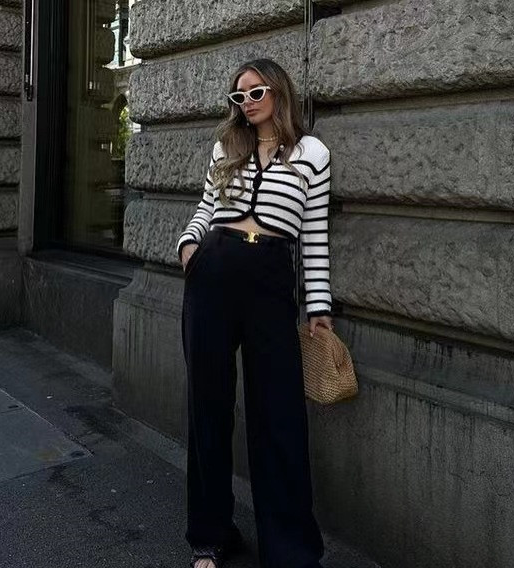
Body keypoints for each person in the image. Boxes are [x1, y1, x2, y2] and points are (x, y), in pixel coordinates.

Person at [176, 58, 333, 568]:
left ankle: (290, 551)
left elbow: (314, 238)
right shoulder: (226, 147)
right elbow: (206, 208)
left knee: (279, 414)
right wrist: (189, 246)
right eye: (238, 96)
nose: (247, 102)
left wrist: (318, 306)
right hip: (213, 273)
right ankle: (210, 535)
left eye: (256, 91)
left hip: (270, 280)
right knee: (208, 407)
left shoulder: (312, 153)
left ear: (279, 92)